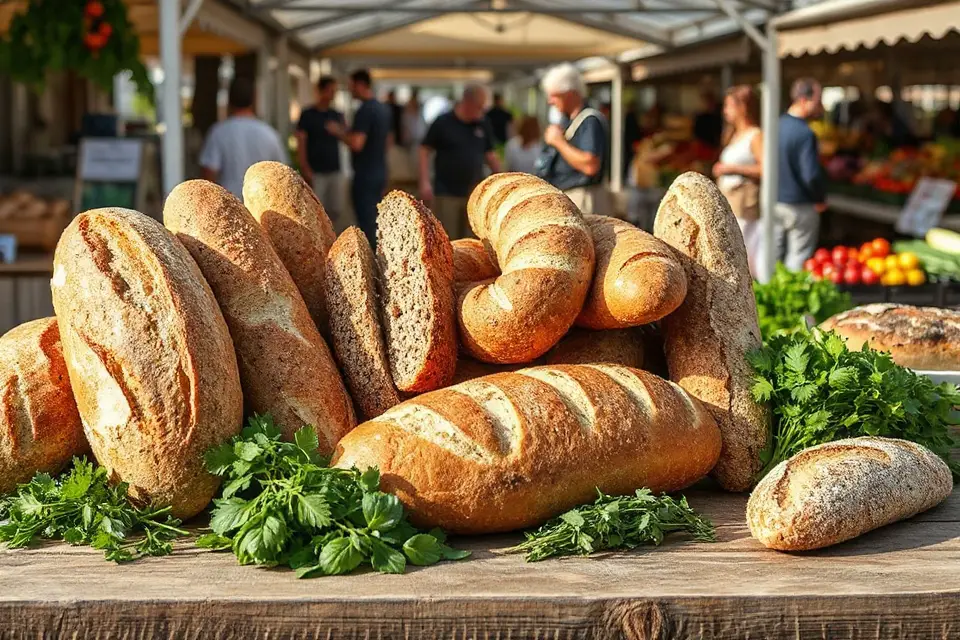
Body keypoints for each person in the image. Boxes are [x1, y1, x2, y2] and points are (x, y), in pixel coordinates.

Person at [419, 85, 502, 239]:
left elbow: (490, 155)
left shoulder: (483, 123)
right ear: (467, 102)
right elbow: (424, 150)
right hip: (446, 192)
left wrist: (501, 180)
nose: (482, 111)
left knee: (472, 239)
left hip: (474, 193)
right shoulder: (443, 122)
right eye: (479, 107)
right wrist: (425, 181)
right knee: (447, 237)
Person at [325, 69, 392, 246]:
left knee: (368, 224)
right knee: (377, 220)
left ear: (361, 85)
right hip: (379, 170)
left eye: (351, 86)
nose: (350, 90)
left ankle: (373, 264)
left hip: (365, 174)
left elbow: (356, 143)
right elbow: (388, 141)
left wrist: (337, 132)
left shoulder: (365, 110)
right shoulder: (382, 108)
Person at [535, 62, 609, 215]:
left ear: (569, 94)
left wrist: (558, 142)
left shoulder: (590, 120)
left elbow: (590, 165)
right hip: (571, 196)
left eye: (554, 96)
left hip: (584, 199)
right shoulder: (568, 121)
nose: (550, 101)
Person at [199, 78, 287, 198]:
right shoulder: (269, 134)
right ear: (255, 99)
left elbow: (208, 175)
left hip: (228, 206)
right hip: (261, 207)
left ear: (229, 100)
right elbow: (283, 175)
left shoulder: (218, 133)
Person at [773, 77, 826, 273]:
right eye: (818, 100)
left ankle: (769, 298)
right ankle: (791, 299)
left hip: (774, 201)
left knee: (772, 257)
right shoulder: (805, 133)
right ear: (804, 100)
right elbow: (810, 174)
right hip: (800, 205)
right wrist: (820, 198)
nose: (820, 106)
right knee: (798, 258)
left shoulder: (774, 126)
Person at [713, 85, 763, 278]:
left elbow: (765, 169)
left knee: (743, 253)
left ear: (742, 107)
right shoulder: (733, 134)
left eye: (729, 106)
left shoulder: (755, 135)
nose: (725, 111)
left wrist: (732, 169)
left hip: (744, 204)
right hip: (730, 201)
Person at [295, 75, 350, 232]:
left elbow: (348, 139)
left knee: (336, 208)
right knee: (317, 209)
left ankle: (331, 236)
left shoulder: (337, 115)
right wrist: (305, 167)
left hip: (334, 169)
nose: (333, 94)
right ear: (320, 91)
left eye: (335, 91)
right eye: (330, 91)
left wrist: (338, 131)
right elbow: (301, 142)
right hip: (315, 170)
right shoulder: (307, 114)